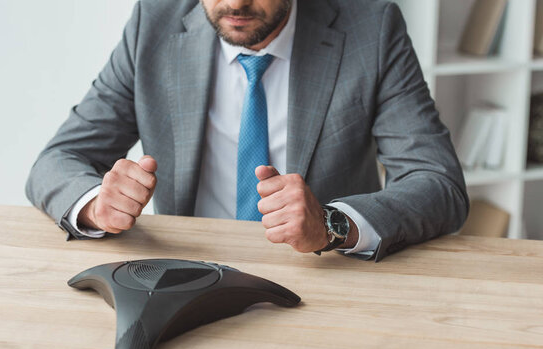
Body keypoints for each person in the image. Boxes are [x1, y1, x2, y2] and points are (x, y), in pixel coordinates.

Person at [26, 0, 469, 261]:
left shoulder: (371, 28)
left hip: (323, 277)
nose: (235, 3)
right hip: (186, 271)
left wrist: (332, 224)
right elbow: (57, 161)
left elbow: (438, 184)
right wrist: (96, 206)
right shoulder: (154, 23)